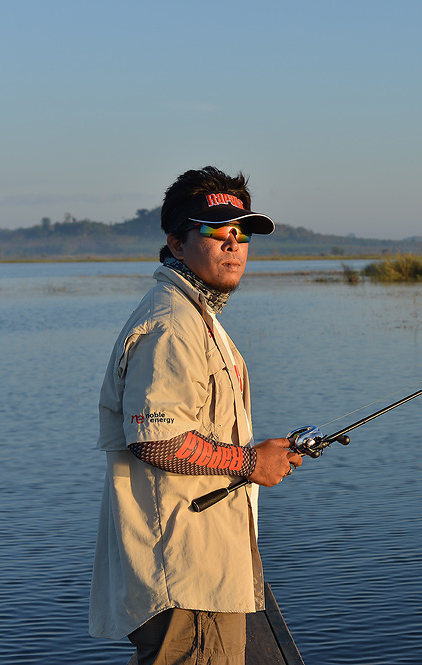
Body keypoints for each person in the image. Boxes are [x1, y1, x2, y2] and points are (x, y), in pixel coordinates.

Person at [90, 166, 304, 664]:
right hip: (185, 582)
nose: (233, 243)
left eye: (242, 232)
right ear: (176, 243)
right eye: (215, 230)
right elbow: (156, 439)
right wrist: (252, 463)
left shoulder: (194, 316)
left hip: (196, 572)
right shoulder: (172, 324)